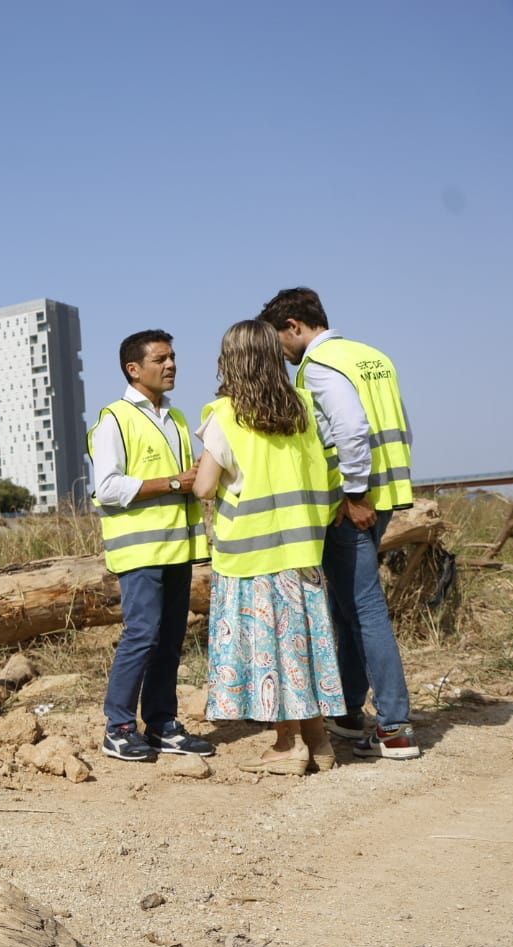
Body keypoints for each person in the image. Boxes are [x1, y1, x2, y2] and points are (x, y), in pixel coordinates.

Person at [258, 288, 418, 760]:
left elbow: (350, 429)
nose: (280, 354)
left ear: (293, 326)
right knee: (347, 606)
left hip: (353, 502)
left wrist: (353, 493)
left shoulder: (320, 366)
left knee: (363, 609)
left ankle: (395, 726)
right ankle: (349, 711)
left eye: (279, 341)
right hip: (386, 491)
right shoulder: (371, 356)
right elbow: (397, 424)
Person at [194, 321, 345, 774]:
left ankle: (286, 746)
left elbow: (204, 486)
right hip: (301, 549)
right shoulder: (301, 405)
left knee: (269, 651)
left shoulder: (224, 413)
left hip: (250, 555)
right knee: (301, 647)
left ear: (231, 360)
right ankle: (318, 742)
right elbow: (329, 466)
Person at [88, 329, 214, 762]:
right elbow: (106, 487)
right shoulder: (114, 419)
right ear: (134, 368)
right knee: (142, 635)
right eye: (161, 358)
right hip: (140, 551)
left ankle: (161, 723)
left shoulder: (177, 418)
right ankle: (119, 727)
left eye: (173, 356)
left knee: (170, 639)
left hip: (177, 548)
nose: (171, 364)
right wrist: (177, 481)